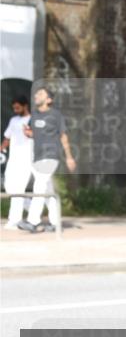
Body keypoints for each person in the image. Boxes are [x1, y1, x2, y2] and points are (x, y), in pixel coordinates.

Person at [20, 85, 76, 233]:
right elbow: (34, 133)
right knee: (48, 190)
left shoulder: (56, 115)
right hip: (37, 157)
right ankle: (55, 222)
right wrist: (27, 133)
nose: (37, 95)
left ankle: (33, 221)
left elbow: (63, 136)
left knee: (39, 186)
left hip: (50, 156)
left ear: (49, 100)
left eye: (41, 94)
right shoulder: (35, 115)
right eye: (36, 93)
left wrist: (69, 157)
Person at [1, 95, 33, 229]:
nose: (15, 110)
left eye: (17, 107)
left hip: (26, 159)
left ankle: (14, 220)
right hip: (13, 159)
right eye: (13, 108)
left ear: (25, 105)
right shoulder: (13, 120)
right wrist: (1, 148)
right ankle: (31, 206)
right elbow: (7, 138)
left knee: (18, 189)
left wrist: (29, 132)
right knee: (9, 187)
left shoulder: (33, 119)